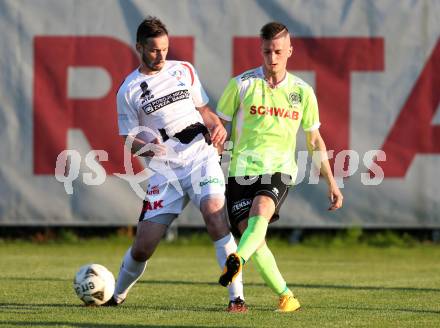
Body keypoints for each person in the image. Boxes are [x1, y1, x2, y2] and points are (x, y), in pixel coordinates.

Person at [104, 16, 246, 312]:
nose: (161, 55)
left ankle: (237, 298)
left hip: (200, 156)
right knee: (143, 246)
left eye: (165, 49)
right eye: (154, 50)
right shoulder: (128, 90)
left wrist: (217, 125)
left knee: (214, 215)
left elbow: (204, 110)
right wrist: (148, 148)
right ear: (139, 47)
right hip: (165, 170)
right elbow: (129, 141)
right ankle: (116, 296)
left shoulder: (184, 70)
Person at [216, 22, 343, 312]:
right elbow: (218, 126)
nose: (272, 58)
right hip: (240, 171)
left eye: (277, 51)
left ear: (290, 51)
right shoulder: (241, 85)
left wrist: (332, 183)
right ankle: (287, 297)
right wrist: (214, 146)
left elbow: (314, 140)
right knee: (254, 236)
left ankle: (236, 261)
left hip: (280, 169)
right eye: (266, 51)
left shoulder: (302, 91)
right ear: (260, 50)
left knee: (261, 211)